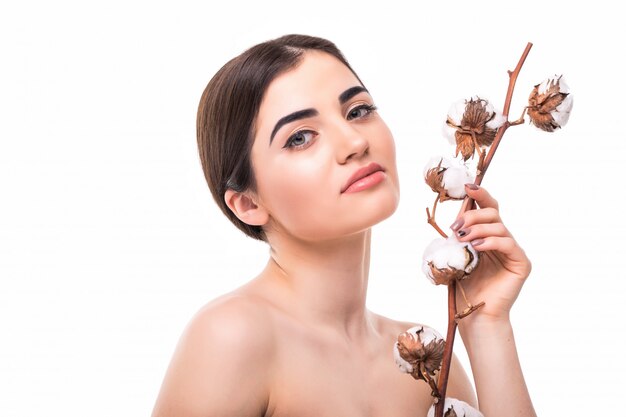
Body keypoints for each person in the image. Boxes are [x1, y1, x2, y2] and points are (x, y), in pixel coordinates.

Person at [151, 34, 536, 417]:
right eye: (300, 137)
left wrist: (485, 323)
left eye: (357, 110)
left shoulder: (423, 359)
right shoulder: (232, 336)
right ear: (248, 203)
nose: (354, 141)